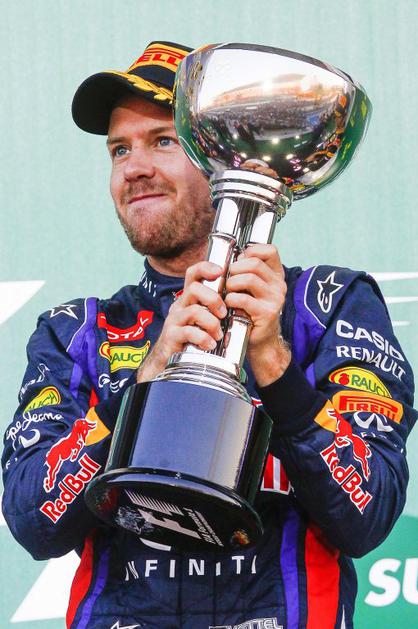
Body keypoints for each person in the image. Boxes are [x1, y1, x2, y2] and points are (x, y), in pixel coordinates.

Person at [1, 40, 416, 629]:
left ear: (220, 152)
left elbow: (367, 516)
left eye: (163, 141)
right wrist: (141, 386)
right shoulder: (77, 333)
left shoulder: (326, 306)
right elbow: (33, 522)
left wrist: (273, 364)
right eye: (120, 149)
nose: (134, 168)